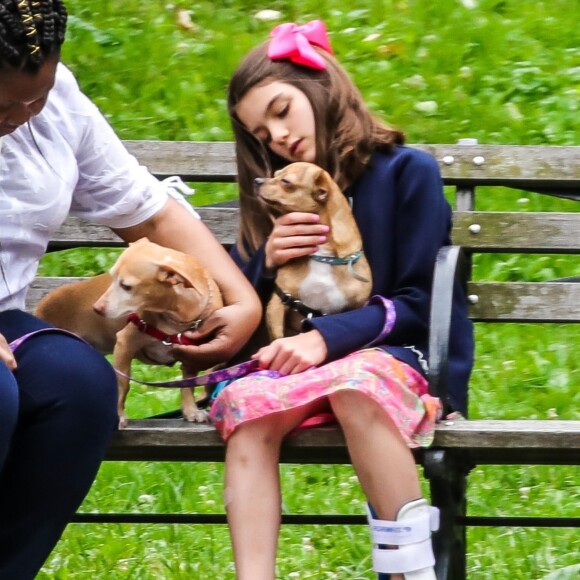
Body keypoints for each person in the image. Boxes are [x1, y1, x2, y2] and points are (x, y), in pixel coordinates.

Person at [0, 1, 261, 578]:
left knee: (80, 387)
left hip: (5, 315)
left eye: (34, 98)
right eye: (3, 103)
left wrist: (240, 300)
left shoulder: (56, 102)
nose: (21, 115)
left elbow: (147, 210)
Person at [208, 20, 474, 580]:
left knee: (358, 388)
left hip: (399, 361)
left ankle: (408, 573)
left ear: (320, 85)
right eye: (261, 132)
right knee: (248, 406)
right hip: (301, 367)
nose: (276, 137)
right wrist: (266, 263)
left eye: (281, 110)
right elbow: (240, 308)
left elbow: (423, 304)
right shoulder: (281, 197)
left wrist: (326, 338)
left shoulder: (407, 173)